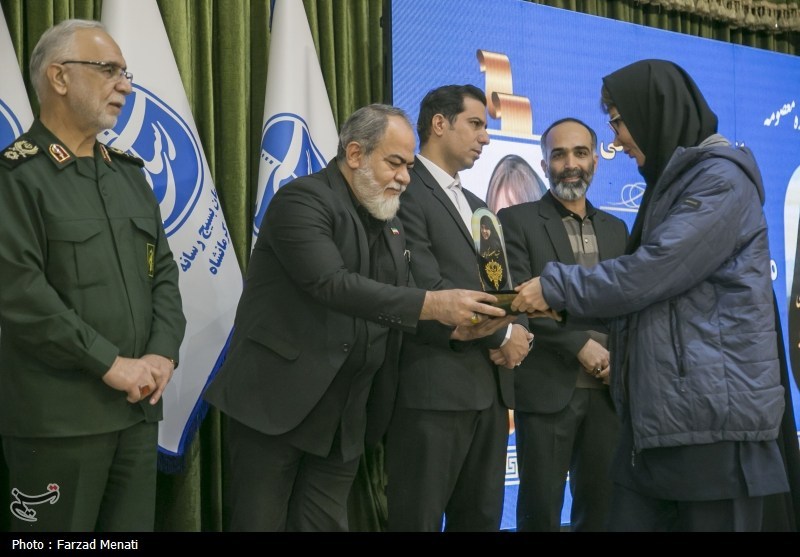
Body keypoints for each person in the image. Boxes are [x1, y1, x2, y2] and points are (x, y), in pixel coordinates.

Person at [204, 104, 512, 532]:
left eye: (408, 167)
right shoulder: (302, 199)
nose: (404, 177)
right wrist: (434, 304)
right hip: (278, 402)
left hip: (346, 415)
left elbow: (398, 298)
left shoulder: (390, 220)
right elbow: (331, 284)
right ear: (354, 154)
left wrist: (462, 328)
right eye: (394, 163)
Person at [512, 59, 790, 532]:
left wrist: (554, 287)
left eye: (618, 122)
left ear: (653, 113)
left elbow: (650, 273)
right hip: (666, 424)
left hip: (714, 431)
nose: (617, 139)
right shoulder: (676, 184)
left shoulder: (719, 180)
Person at [0, 19, 185, 531]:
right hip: (58, 422)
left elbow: (164, 273)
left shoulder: (128, 173)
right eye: (108, 70)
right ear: (59, 77)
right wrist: (109, 362)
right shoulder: (16, 177)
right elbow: (20, 293)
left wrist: (161, 353)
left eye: (125, 73)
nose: (125, 86)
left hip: (136, 411)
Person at [386, 84, 533, 532]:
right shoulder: (405, 191)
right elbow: (426, 287)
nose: (485, 137)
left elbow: (501, 285)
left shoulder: (477, 206)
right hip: (433, 391)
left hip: (490, 394)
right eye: (475, 124)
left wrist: (521, 326)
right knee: (418, 519)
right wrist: (503, 334)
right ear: (439, 124)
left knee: (482, 519)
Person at [497, 118, 628, 531]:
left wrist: (616, 358)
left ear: (595, 162)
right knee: (540, 511)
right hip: (546, 388)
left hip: (609, 391)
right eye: (559, 155)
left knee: (603, 512)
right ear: (544, 164)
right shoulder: (516, 220)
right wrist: (581, 346)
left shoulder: (617, 229)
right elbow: (520, 301)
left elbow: (626, 306)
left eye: (580, 153)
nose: (570, 164)